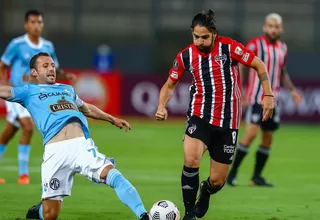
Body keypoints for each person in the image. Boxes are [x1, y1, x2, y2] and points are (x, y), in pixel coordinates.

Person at [0, 52, 150, 220]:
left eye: (52, 65)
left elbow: (86, 108)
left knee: (112, 175)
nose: (51, 69)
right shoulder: (28, 92)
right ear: (34, 72)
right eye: (45, 66)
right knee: (50, 214)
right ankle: (36, 212)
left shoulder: (67, 89)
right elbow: (4, 91)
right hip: (54, 152)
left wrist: (112, 119)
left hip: (81, 146)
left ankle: (144, 215)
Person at [155, 9, 275, 220]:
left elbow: (258, 64)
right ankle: (189, 214)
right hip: (199, 116)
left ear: (214, 34)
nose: (200, 41)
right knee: (191, 159)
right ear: (192, 34)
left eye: (205, 37)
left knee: (218, 181)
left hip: (228, 123)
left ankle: (206, 191)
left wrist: (268, 94)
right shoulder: (185, 55)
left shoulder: (229, 48)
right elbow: (170, 84)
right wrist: (161, 105)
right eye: (196, 37)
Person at [0, 10, 75, 184]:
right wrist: (5, 84)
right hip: (19, 94)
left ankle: (22, 174)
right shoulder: (17, 44)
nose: (36, 26)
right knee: (28, 127)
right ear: (26, 25)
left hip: (37, 96)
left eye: (39, 22)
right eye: (33, 22)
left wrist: (66, 76)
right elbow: (2, 65)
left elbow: (54, 69)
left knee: (8, 133)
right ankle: (23, 174)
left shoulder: (48, 46)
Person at [227, 13, 302, 187]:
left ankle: (256, 177)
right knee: (251, 133)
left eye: (276, 27)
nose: (273, 29)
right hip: (255, 98)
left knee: (267, 138)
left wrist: (292, 90)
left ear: (281, 29)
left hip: (273, 101)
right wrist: (242, 90)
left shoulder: (282, 48)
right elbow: (240, 64)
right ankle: (232, 174)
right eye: (270, 26)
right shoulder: (255, 44)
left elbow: (282, 72)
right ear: (264, 27)